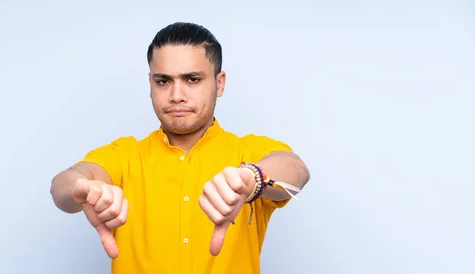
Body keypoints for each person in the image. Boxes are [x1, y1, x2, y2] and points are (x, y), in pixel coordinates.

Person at [50, 22, 311, 274]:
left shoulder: (248, 151)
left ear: (219, 83)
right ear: (150, 83)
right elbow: (64, 184)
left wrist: (253, 179)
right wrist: (80, 188)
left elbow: (296, 173)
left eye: (192, 79)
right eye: (163, 81)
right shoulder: (125, 155)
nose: (177, 95)